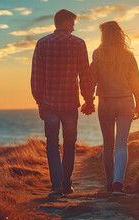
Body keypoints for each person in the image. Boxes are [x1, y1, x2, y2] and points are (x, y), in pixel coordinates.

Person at [31, 9, 95, 198]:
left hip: (49, 104)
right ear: (66, 22)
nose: (74, 28)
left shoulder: (42, 43)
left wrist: (39, 102)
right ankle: (66, 185)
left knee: (52, 145)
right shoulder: (79, 44)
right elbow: (85, 75)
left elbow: (36, 77)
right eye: (73, 23)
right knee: (69, 144)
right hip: (69, 104)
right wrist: (88, 100)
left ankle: (56, 187)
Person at [90, 21, 139, 196]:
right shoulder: (128, 55)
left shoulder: (98, 54)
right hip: (126, 100)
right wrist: (138, 102)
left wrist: (88, 99)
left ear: (104, 35)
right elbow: (135, 81)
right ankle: (118, 184)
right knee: (121, 144)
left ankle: (109, 183)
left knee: (108, 144)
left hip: (105, 102)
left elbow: (92, 78)